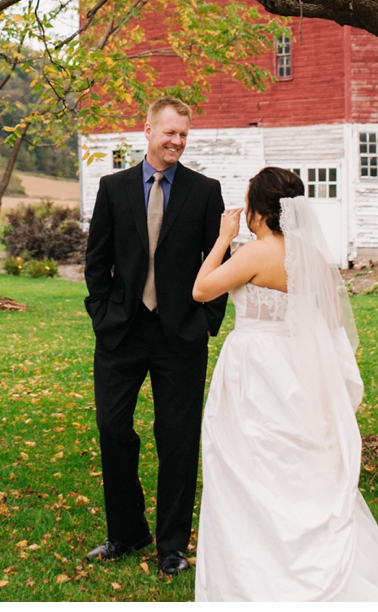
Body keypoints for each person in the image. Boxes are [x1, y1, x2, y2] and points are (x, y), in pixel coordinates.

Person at [192, 166, 378, 602]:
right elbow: (333, 326)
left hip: (253, 375)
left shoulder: (256, 253)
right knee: (295, 475)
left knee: (245, 471)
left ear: (259, 209)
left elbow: (202, 290)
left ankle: (254, 578)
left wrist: (222, 238)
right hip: (296, 374)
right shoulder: (311, 257)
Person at [83, 96, 227, 576]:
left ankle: (171, 545)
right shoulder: (113, 187)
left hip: (180, 336)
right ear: (146, 130)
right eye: (169, 132)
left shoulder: (205, 191)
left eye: (184, 134)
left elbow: (218, 263)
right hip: (121, 333)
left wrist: (206, 322)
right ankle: (127, 531)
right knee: (112, 430)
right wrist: (102, 314)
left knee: (178, 439)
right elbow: (96, 259)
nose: (177, 141)